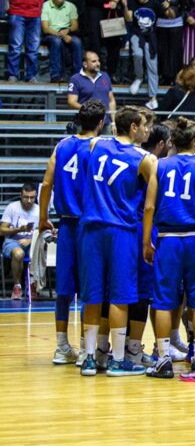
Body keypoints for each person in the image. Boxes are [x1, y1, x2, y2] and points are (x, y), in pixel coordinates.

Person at [78, 106, 157, 377]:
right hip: (121, 230)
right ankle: (119, 359)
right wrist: (147, 241)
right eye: (144, 125)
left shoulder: (94, 145)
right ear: (134, 127)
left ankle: (89, 358)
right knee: (120, 297)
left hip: (90, 228)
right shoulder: (145, 159)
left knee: (92, 296)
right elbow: (150, 206)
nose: (147, 130)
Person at [141, 117, 195, 379]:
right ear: (194, 141)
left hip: (168, 238)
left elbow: (149, 207)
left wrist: (146, 241)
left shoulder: (159, 166)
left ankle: (162, 359)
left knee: (163, 301)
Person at [39, 100, 107, 363]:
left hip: (66, 222)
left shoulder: (62, 144)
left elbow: (46, 183)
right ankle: (85, 349)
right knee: (90, 287)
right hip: (90, 225)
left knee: (64, 289)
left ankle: (61, 347)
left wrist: (43, 217)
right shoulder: (99, 147)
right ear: (101, 122)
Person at [81, 0, 126, 79]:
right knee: (95, 45)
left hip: (108, 16)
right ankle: (95, 73)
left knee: (114, 44)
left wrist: (116, 0)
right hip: (93, 16)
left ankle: (111, 73)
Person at [125, 0, 162, 109]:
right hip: (137, 34)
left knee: (152, 65)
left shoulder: (154, 4)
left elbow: (165, 17)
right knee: (137, 54)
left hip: (151, 36)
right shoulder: (132, 1)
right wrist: (125, 6)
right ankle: (139, 77)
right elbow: (128, 19)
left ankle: (153, 97)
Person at [0, 183, 39, 299]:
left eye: (32, 197)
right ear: (20, 196)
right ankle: (17, 286)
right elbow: (1, 230)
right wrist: (18, 229)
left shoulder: (39, 209)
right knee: (18, 254)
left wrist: (31, 239)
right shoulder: (12, 207)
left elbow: (43, 232)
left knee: (41, 250)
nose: (29, 200)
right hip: (13, 241)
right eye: (26, 197)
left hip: (33, 243)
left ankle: (34, 285)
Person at [41, 0, 82, 83]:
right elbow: (45, 29)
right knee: (56, 42)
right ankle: (55, 75)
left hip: (66, 31)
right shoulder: (45, 6)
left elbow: (75, 26)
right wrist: (62, 36)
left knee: (77, 41)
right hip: (50, 34)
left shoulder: (71, 6)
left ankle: (79, 75)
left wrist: (67, 31)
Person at [155, 0, 185, 86]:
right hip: (161, 24)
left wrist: (171, 6)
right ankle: (164, 76)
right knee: (163, 51)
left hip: (176, 24)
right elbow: (155, 4)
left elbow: (184, 7)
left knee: (175, 52)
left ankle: (175, 77)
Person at [66, 51, 117, 121]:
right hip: (85, 123)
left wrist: (113, 122)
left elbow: (111, 100)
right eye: (94, 61)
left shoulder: (105, 76)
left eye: (98, 61)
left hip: (106, 122)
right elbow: (71, 102)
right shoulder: (75, 79)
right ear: (85, 64)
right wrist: (90, 111)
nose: (98, 64)